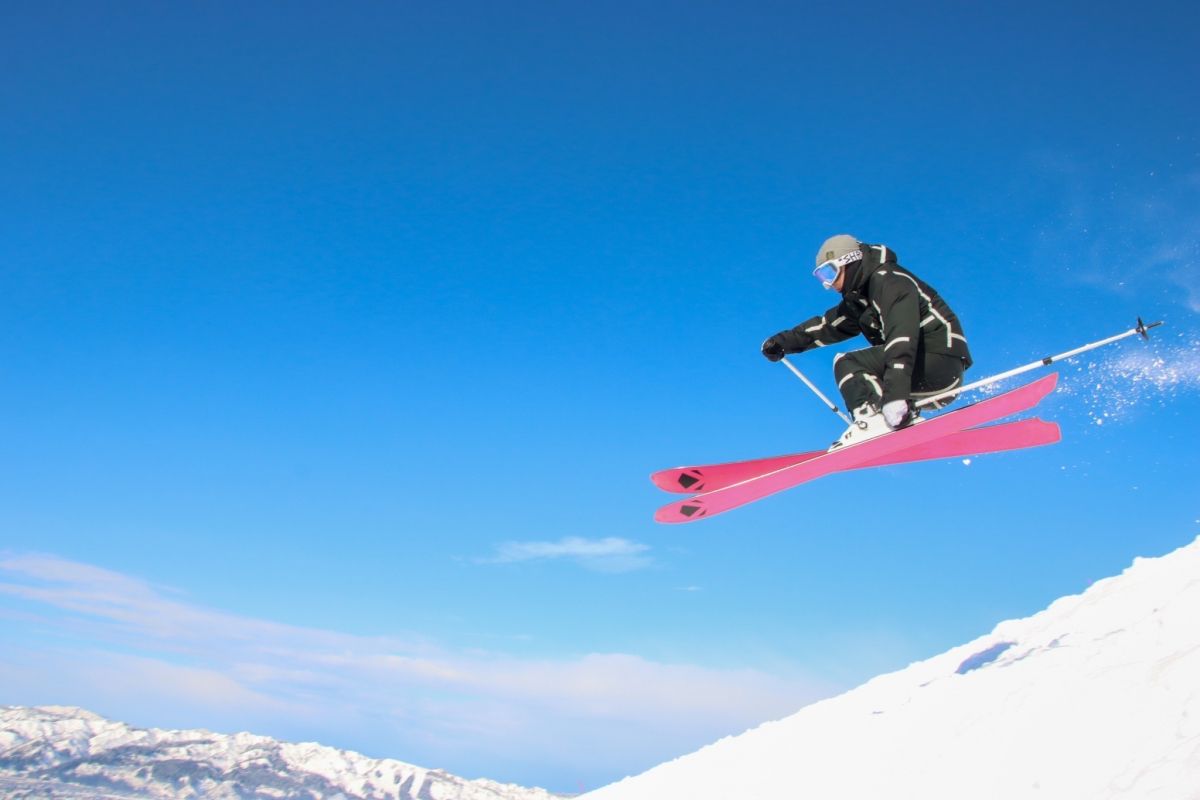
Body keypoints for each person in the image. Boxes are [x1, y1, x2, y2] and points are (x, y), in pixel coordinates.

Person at [761, 234, 973, 449]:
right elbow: (827, 326)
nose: (828, 284)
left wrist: (895, 396)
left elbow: (902, 337)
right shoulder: (860, 300)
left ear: (849, 261)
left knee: (849, 363)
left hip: (938, 362)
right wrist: (782, 342)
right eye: (821, 277)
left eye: (829, 273)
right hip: (920, 376)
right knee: (854, 364)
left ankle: (872, 418)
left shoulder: (889, 281)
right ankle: (886, 415)